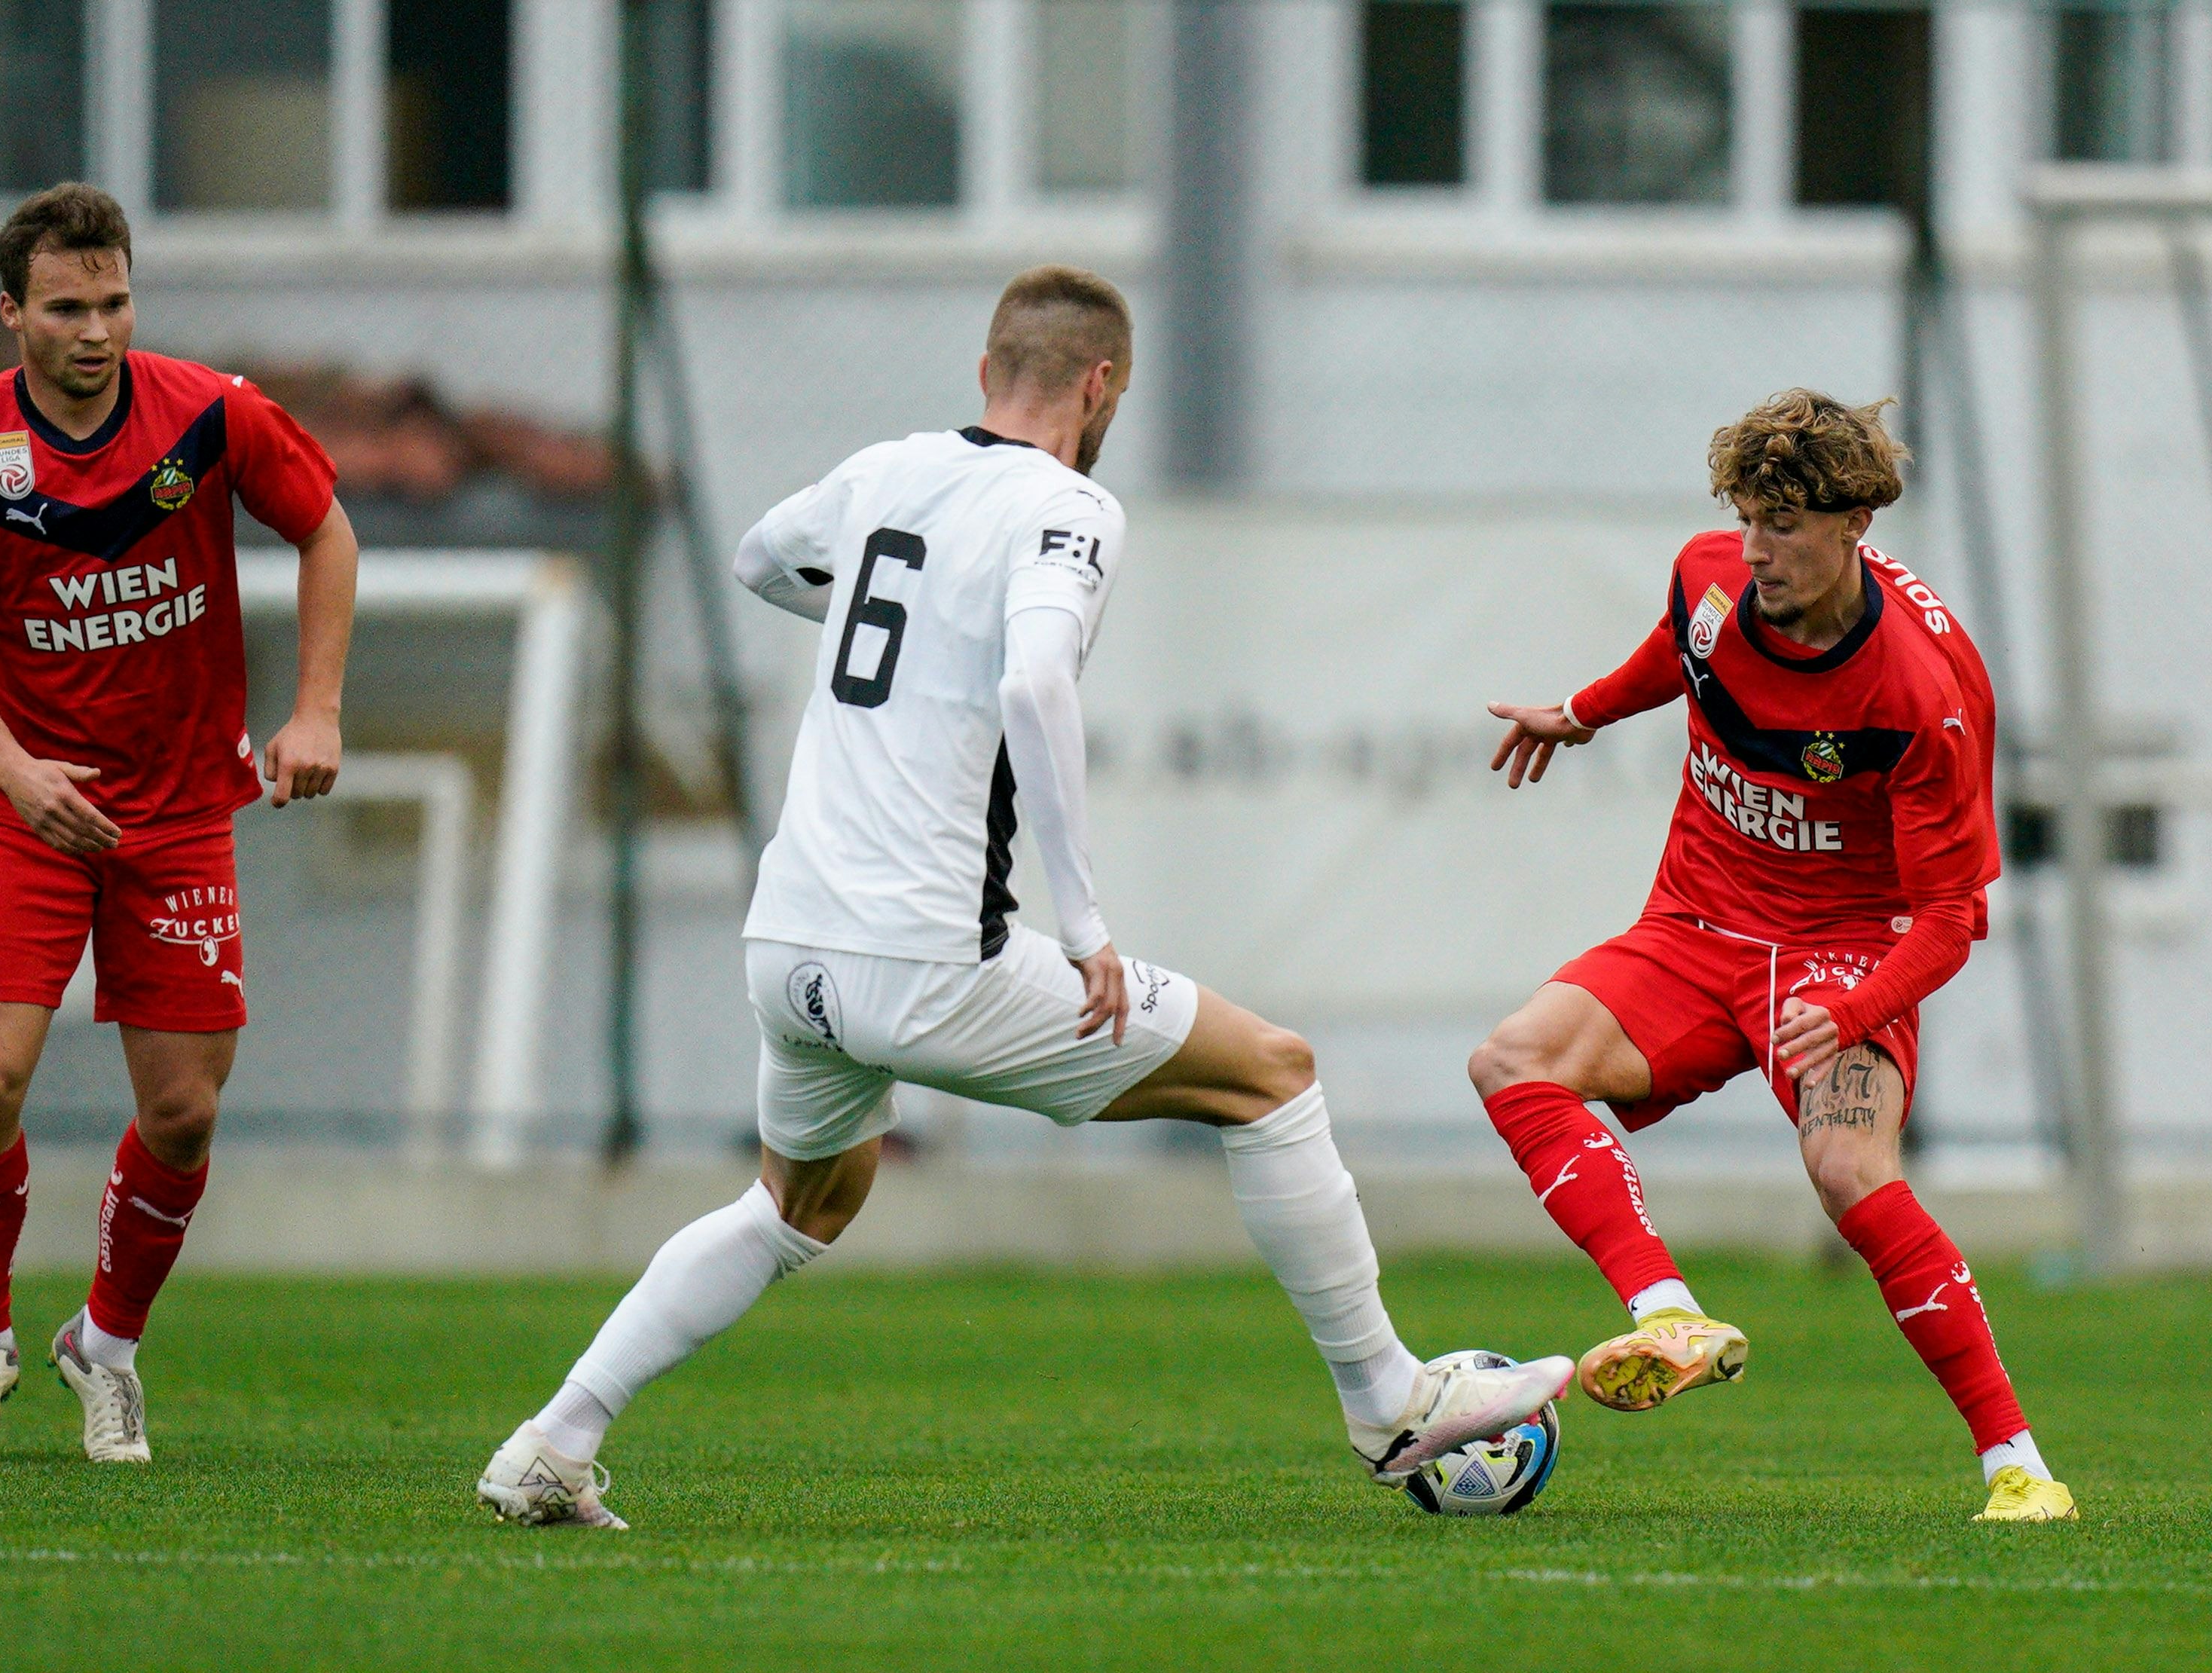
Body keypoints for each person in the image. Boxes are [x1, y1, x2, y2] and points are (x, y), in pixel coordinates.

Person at [475, 266, 1569, 1529]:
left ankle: (553, 1442)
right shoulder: (1069, 506)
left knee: (798, 1201)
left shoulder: (882, 470)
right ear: (1100, 385)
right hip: (926, 958)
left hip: (790, 948)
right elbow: (1036, 685)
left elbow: (758, 556)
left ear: (986, 367)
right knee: (1269, 1074)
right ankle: (1389, 1401)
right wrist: (1089, 926)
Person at [1471, 390, 2073, 1524]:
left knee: (1849, 1173)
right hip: (1699, 920)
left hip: (1846, 949)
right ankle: (1668, 1314)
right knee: (1513, 1061)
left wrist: (1854, 1012)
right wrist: (1584, 711)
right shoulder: (1712, 576)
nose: (1758, 549)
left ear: (1857, 525)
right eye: (1748, 518)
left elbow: (1949, 918)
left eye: (1785, 525)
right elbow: (1684, 651)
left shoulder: (1919, 697)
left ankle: (2016, 1468)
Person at [0, 183, 359, 1464]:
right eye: (65, 307)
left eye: (113, 301)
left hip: (176, 816)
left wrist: (314, 709)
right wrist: (13, 763)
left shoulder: (212, 415)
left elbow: (326, 531)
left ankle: (103, 1346)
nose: (94, 329)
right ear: (12, 314)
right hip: (26, 811)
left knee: (185, 1116)